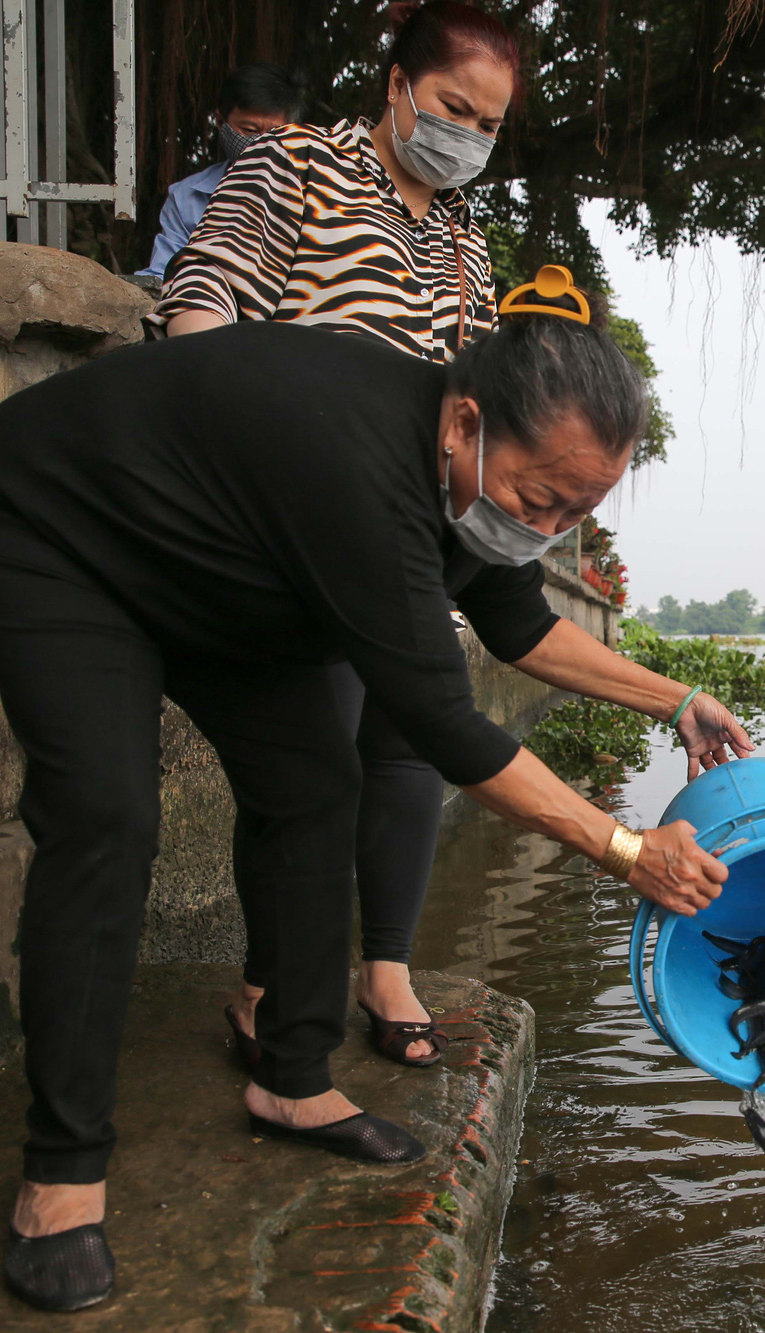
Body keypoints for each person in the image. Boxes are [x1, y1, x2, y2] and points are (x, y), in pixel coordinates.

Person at [0, 277, 753, 1312]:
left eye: (577, 512)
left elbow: (518, 625)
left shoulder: (467, 479)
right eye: (537, 499)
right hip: (69, 534)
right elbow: (444, 725)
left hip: (228, 571)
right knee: (105, 817)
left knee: (314, 786)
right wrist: (624, 848)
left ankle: (291, 1078)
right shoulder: (358, 460)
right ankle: (61, 1174)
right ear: (467, 420)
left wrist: (674, 697)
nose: (547, 527)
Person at [155, 2, 520, 1065]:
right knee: (311, 755)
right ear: (397, 86)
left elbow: (479, 393)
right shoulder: (296, 167)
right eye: (454, 108)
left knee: (409, 739)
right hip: (295, 515)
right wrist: (218, 448)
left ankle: (388, 968)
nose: (465, 138)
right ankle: (273, 980)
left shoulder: (462, 235)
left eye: (488, 128)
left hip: (408, 523)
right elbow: (204, 294)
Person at [136, 63, 304, 280]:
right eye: (250, 131)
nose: (262, 143)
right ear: (219, 121)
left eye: (276, 133)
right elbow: (163, 274)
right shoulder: (187, 198)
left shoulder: (319, 193)